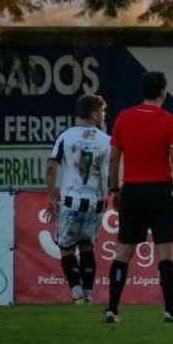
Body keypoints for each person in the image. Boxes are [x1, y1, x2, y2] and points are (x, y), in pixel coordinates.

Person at [104, 71, 173, 324]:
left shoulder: (124, 118)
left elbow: (114, 158)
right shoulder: (169, 120)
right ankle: (171, 311)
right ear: (163, 91)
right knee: (166, 253)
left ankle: (112, 308)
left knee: (123, 250)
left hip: (131, 189)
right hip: (160, 190)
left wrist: (115, 189)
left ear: (142, 90)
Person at [46, 94, 112, 305]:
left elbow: (51, 166)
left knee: (66, 247)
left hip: (70, 201)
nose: (103, 116)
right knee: (86, 246)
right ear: (94, 114)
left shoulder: (66, 136)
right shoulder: (106, 140)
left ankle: (76, 294)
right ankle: (89, 294)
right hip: (95, 202)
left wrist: (51, 196)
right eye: (102, 112)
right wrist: (109, 192)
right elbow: (111, 170)